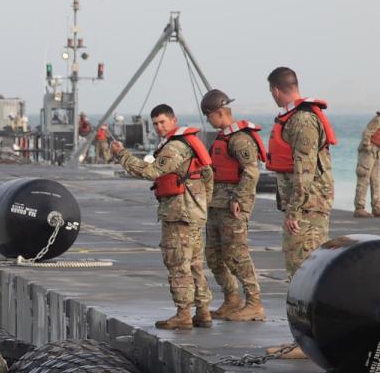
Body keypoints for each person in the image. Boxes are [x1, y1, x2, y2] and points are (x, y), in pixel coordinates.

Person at [111, 104, 213, 330]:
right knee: (195, 263)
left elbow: (150, 172)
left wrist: (121, 154)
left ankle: (183, 313)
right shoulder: (188, 143)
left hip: (179, 215)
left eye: (162, 122)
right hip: (193, 213)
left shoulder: (174, 148)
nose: (159, 127)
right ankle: (203, 311)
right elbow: (208, 174)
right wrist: (203, 203)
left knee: (178, 263)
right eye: (155, 123)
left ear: (173, 120)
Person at [200, 90, 266, 321]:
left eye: (209, 116)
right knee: (214, 256)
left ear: (219, 112)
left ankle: (255, 303)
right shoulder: (222, 137)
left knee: (237, 255)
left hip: (232, 206)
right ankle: (231, 299)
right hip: (216, 204)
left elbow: (251, 171)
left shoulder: (240, 139)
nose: (208, 121)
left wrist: (238, 199)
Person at [264, 67, 336, 279]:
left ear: (276, 90)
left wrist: (294, 210)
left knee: (304, 267)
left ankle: (310, 312)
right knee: (302, 265)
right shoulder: (296, 117)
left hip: (308, 207)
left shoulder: (302, 120)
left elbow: (305, 169)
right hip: (305, 204)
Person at [354, 111, 380, 218]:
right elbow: (366, 133)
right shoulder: (379, 119)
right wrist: (368, 148)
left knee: (375, 180)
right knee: (364, 177)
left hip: (376, 152)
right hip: (368, 152)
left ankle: (376, 208)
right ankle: (359, 208)